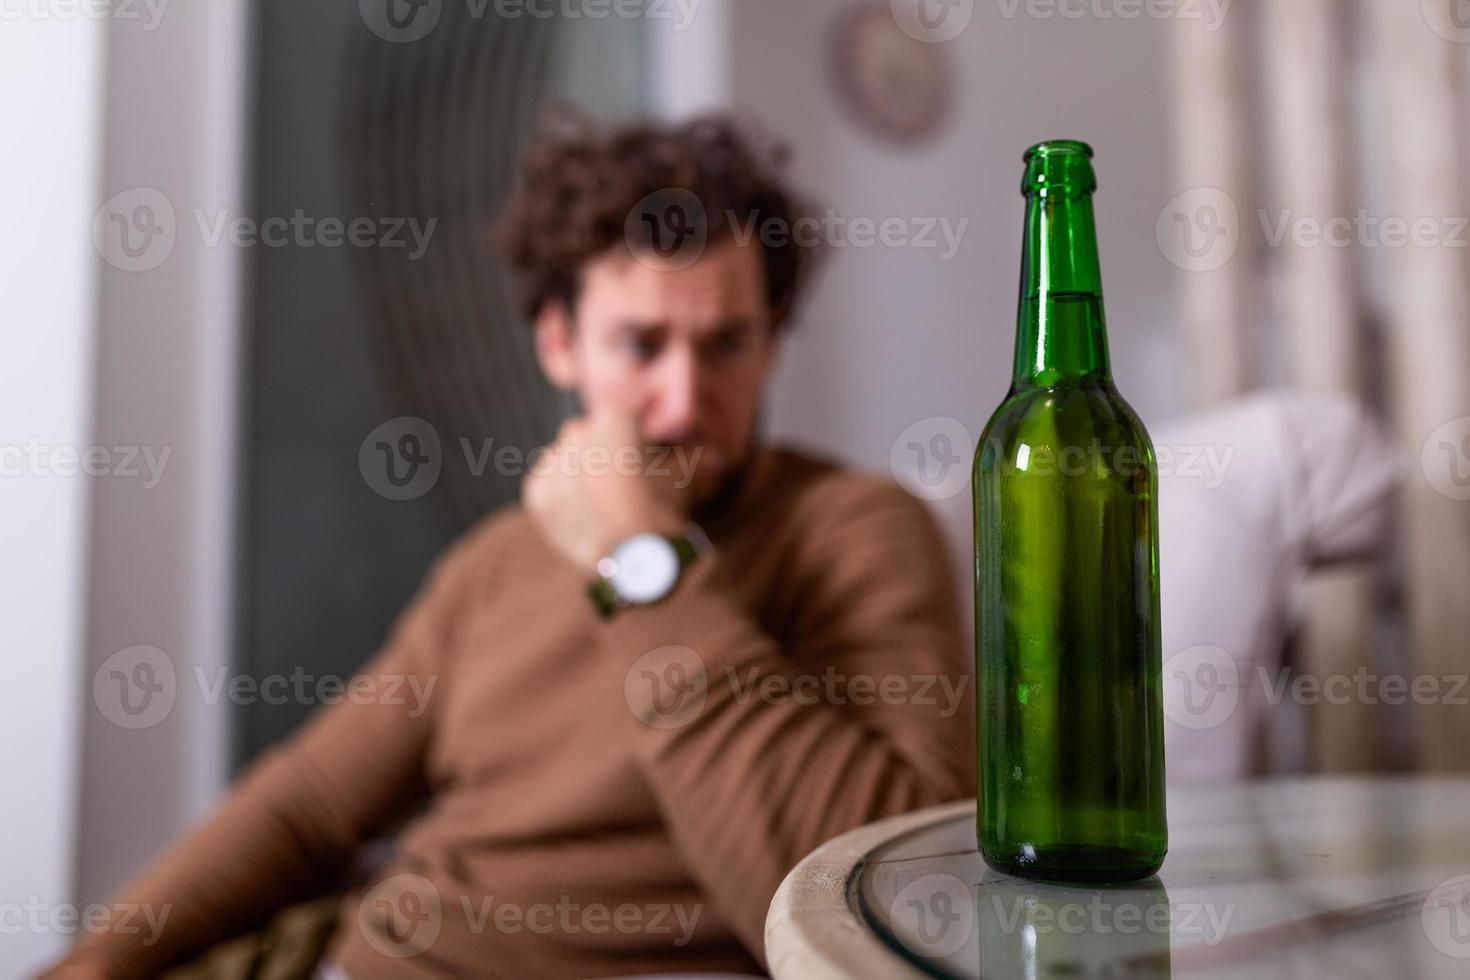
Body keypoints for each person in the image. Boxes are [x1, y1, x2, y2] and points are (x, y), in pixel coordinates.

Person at [46, 114, 973, 980]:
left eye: (726, 344)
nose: (686, 400)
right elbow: (306, 809)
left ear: (771, 345)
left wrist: (638, 555)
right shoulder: (498, 562)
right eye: (641, 345)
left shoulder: (857, 528)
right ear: (559, 344)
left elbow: (888, 894)